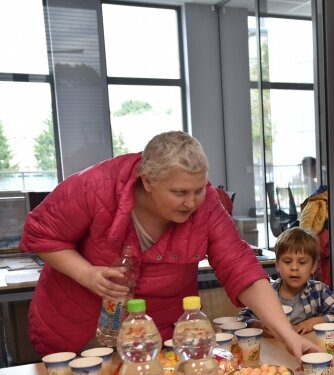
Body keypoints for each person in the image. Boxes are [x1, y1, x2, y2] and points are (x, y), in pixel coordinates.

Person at [21, 131, 317, 361]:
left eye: (198, 189)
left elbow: (240, 267)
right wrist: (87, 274)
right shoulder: (95, 186)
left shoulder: (206, 205)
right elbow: (41, 234)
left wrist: (287, 335)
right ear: (147, 182)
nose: (191, 202)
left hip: (158, 337)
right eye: (179, 192)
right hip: (78, 331)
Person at [238, 227, 334, 335]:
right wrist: (260, 324)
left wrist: (314, 322)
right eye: (287, 262)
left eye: (302, 262)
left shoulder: (318, 291)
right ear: (277, 265)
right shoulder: (267, 292)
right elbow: (242, 318)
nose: (294, 268)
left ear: (313, 267)